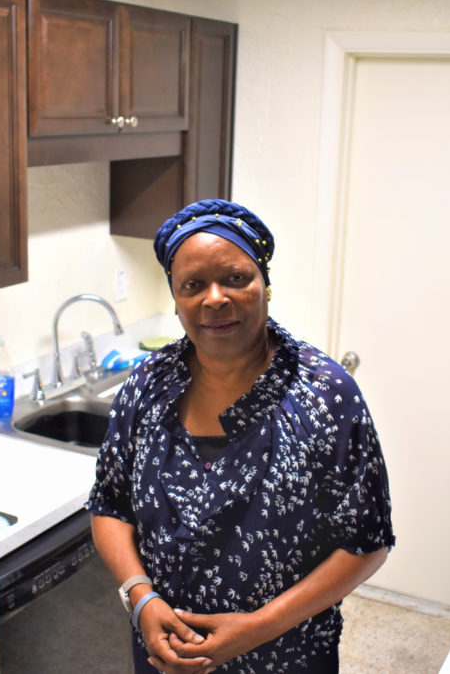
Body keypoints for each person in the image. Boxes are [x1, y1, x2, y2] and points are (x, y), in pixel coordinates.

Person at [87, 199, 395, 673]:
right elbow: (110, 503)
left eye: (236, 278)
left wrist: (256, 628)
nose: (214, 298)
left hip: (284, 654)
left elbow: (366, 540)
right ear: (175, 298)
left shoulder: (324, 395)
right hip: (165, 652)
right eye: (193, 285)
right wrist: (141, 597)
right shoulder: (148, 386)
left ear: (265, 285)